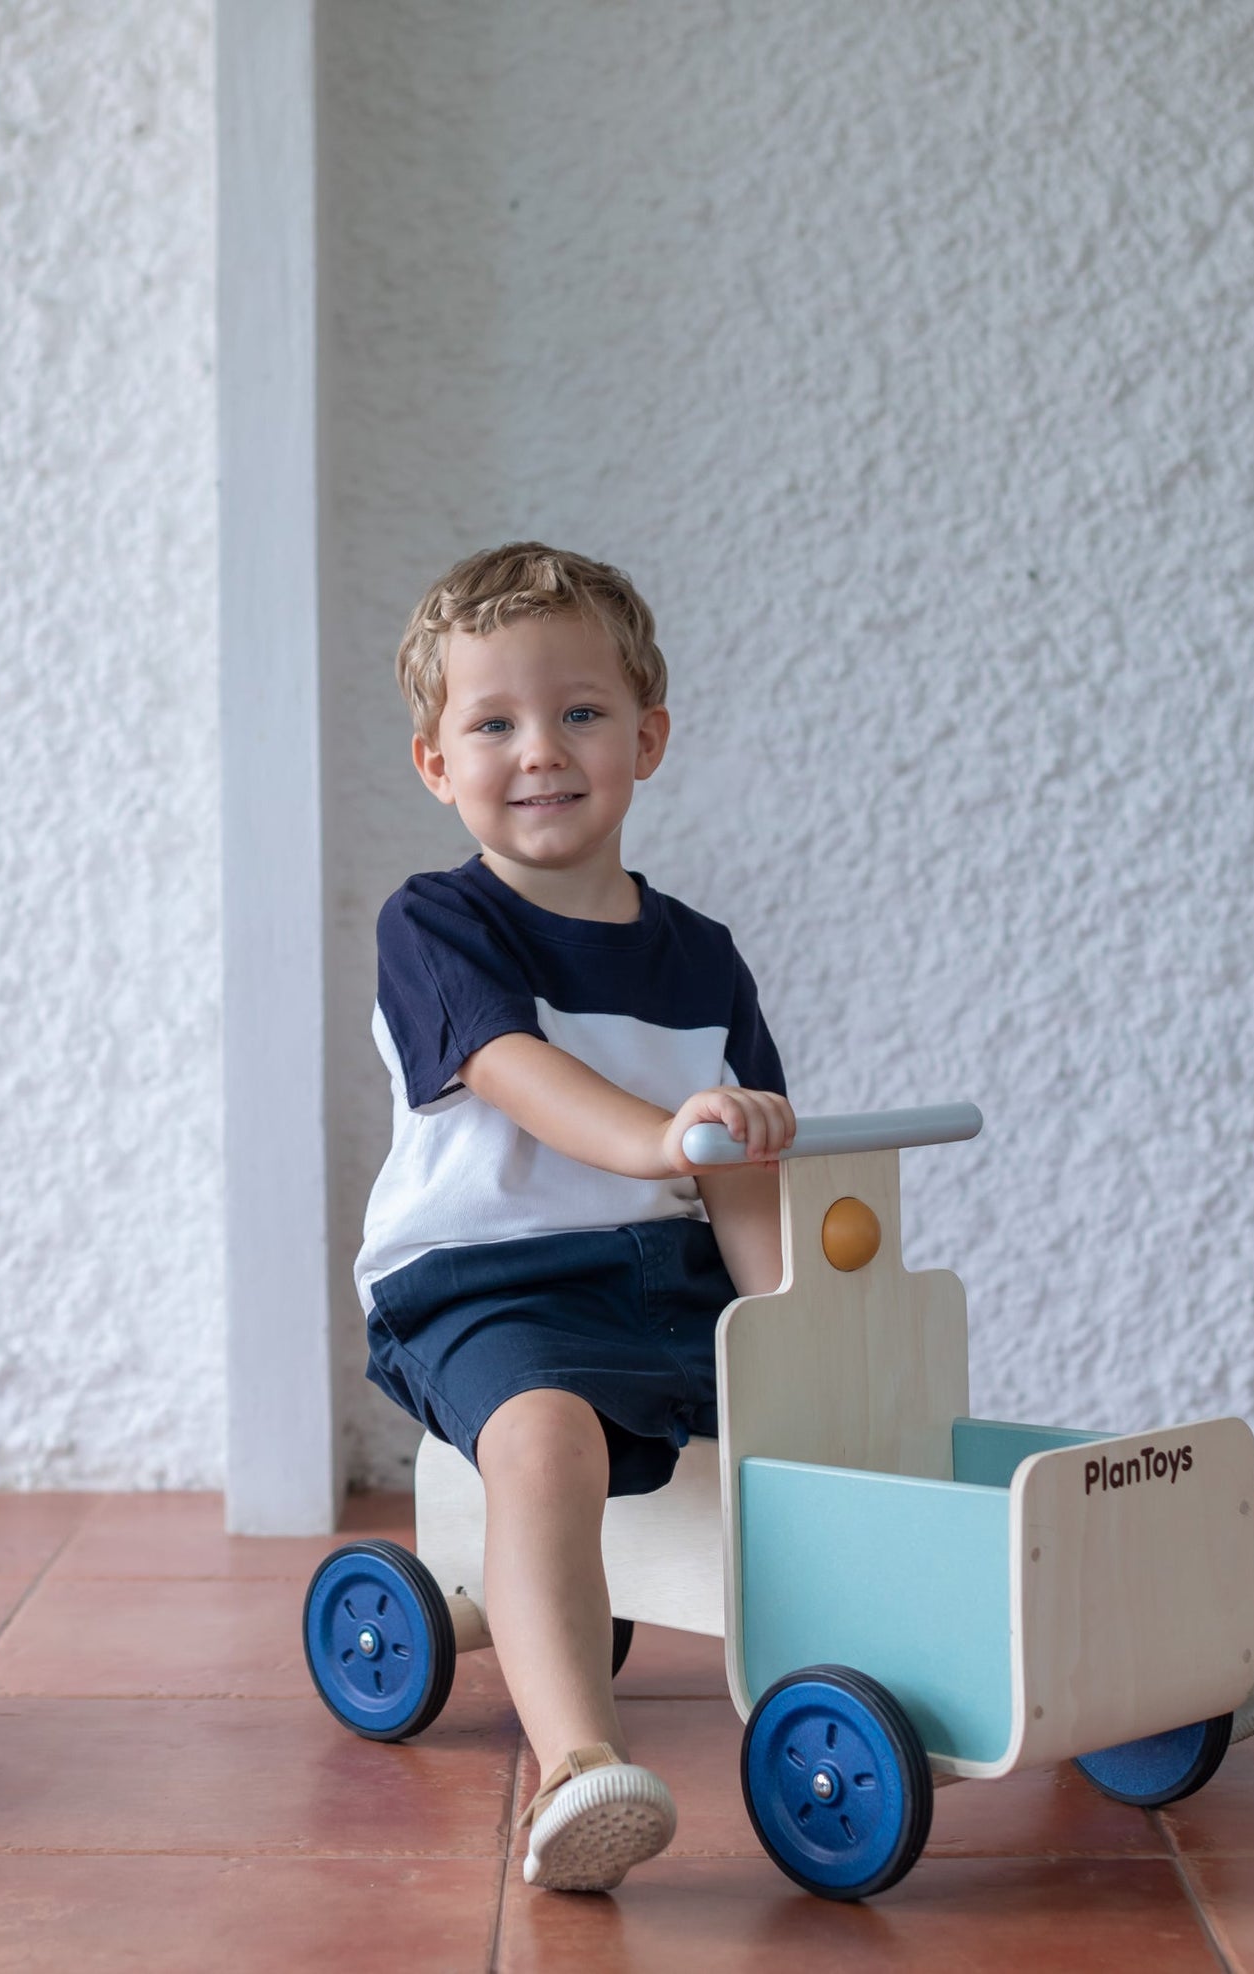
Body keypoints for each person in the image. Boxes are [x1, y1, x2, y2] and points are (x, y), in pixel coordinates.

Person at [355, 541, 795, 1893]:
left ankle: (1044, 1651)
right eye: (493, 722)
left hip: (658, 1279)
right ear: (439, 763)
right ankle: (580, 1764)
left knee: (842, 1408)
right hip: (482, 1284)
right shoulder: (438, 923)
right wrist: (660, 1132)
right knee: (542, 1438)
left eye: (580, 712)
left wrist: (794, 1333)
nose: (538, 749)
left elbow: (737, 1173)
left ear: (646, 737)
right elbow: (517, 1075)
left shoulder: (701, 954)